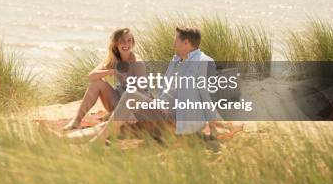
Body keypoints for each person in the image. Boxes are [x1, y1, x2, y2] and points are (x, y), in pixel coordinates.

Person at [91, 26, 219, 143]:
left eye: (176, 40)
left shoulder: (203, 62)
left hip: (176, 120)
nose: (173, 44)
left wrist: (213, 130)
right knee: (116, 123)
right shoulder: (177, 60)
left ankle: (96, 143)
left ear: (186, 43)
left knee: (131, 96)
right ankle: (83, 140)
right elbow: (166, 93)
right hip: (162, 113)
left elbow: (207, 97)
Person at [62, 27, 143, 130]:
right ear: (116, 44)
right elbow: (91, 77)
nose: (126, 44)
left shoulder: (138, 62)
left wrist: (130, 110)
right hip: (117, 101)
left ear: (133, 43)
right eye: (122, 41)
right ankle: (76, 121)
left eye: (129, 40)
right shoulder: (113, 60)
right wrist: (112, 71)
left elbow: (141, 92)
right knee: (97, 83)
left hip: (134, 106)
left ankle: (116, 119)